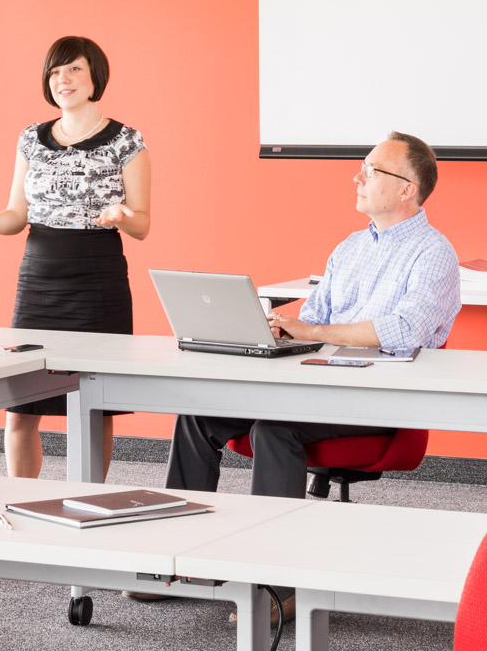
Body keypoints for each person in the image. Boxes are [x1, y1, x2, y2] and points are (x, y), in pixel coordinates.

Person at [164, 131, 461, 620]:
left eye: (371, 170)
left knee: (275, 429)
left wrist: (313, 330)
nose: (357, 177)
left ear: (407, 188)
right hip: (316, 383)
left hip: (378, 397)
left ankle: (275, 583)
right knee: (199, 415)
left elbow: (405, 331)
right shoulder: (350, 247)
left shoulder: (434, 254)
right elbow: (312, 319)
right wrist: (277, 332)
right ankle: (177, 563)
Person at [0, 35, 151, 480]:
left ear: (95, 77)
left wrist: (122, 216)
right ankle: (16, 498)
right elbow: (17, 216)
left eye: (73, 69)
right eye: (54, 72)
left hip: (98, 280)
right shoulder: (31, 139)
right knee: (21, 406)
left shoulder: (126, 140)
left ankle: (87, 499)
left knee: (94, 405)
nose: (63, 79)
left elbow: (143, 224)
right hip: (39, 280)